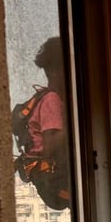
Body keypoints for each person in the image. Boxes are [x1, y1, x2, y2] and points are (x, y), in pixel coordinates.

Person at [14, 36, 70, 209]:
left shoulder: (48, 98)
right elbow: (51, 144)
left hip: (50, 180)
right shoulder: (52, 100)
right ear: (53, 70)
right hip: (56, 180)